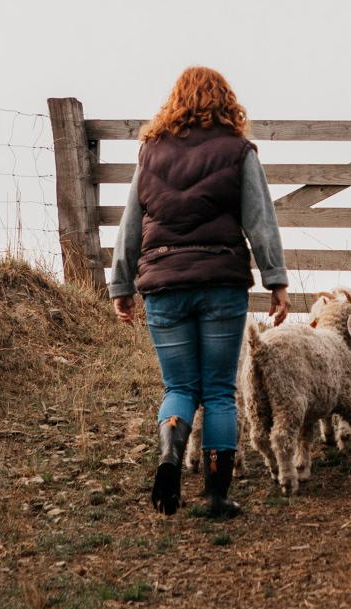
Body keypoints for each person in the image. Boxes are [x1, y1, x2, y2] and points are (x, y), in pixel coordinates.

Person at [109, 66, 289, 518]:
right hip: (221, 284)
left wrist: (122, 284)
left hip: (164, 286)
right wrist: (276, 279)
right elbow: (260, 220)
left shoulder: (150, 153)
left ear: (175, 101)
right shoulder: (238, 151)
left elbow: (131, 223)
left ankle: (170, 454)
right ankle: (216, 495)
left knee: (179, 386)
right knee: (219, 392)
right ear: (226, 101)